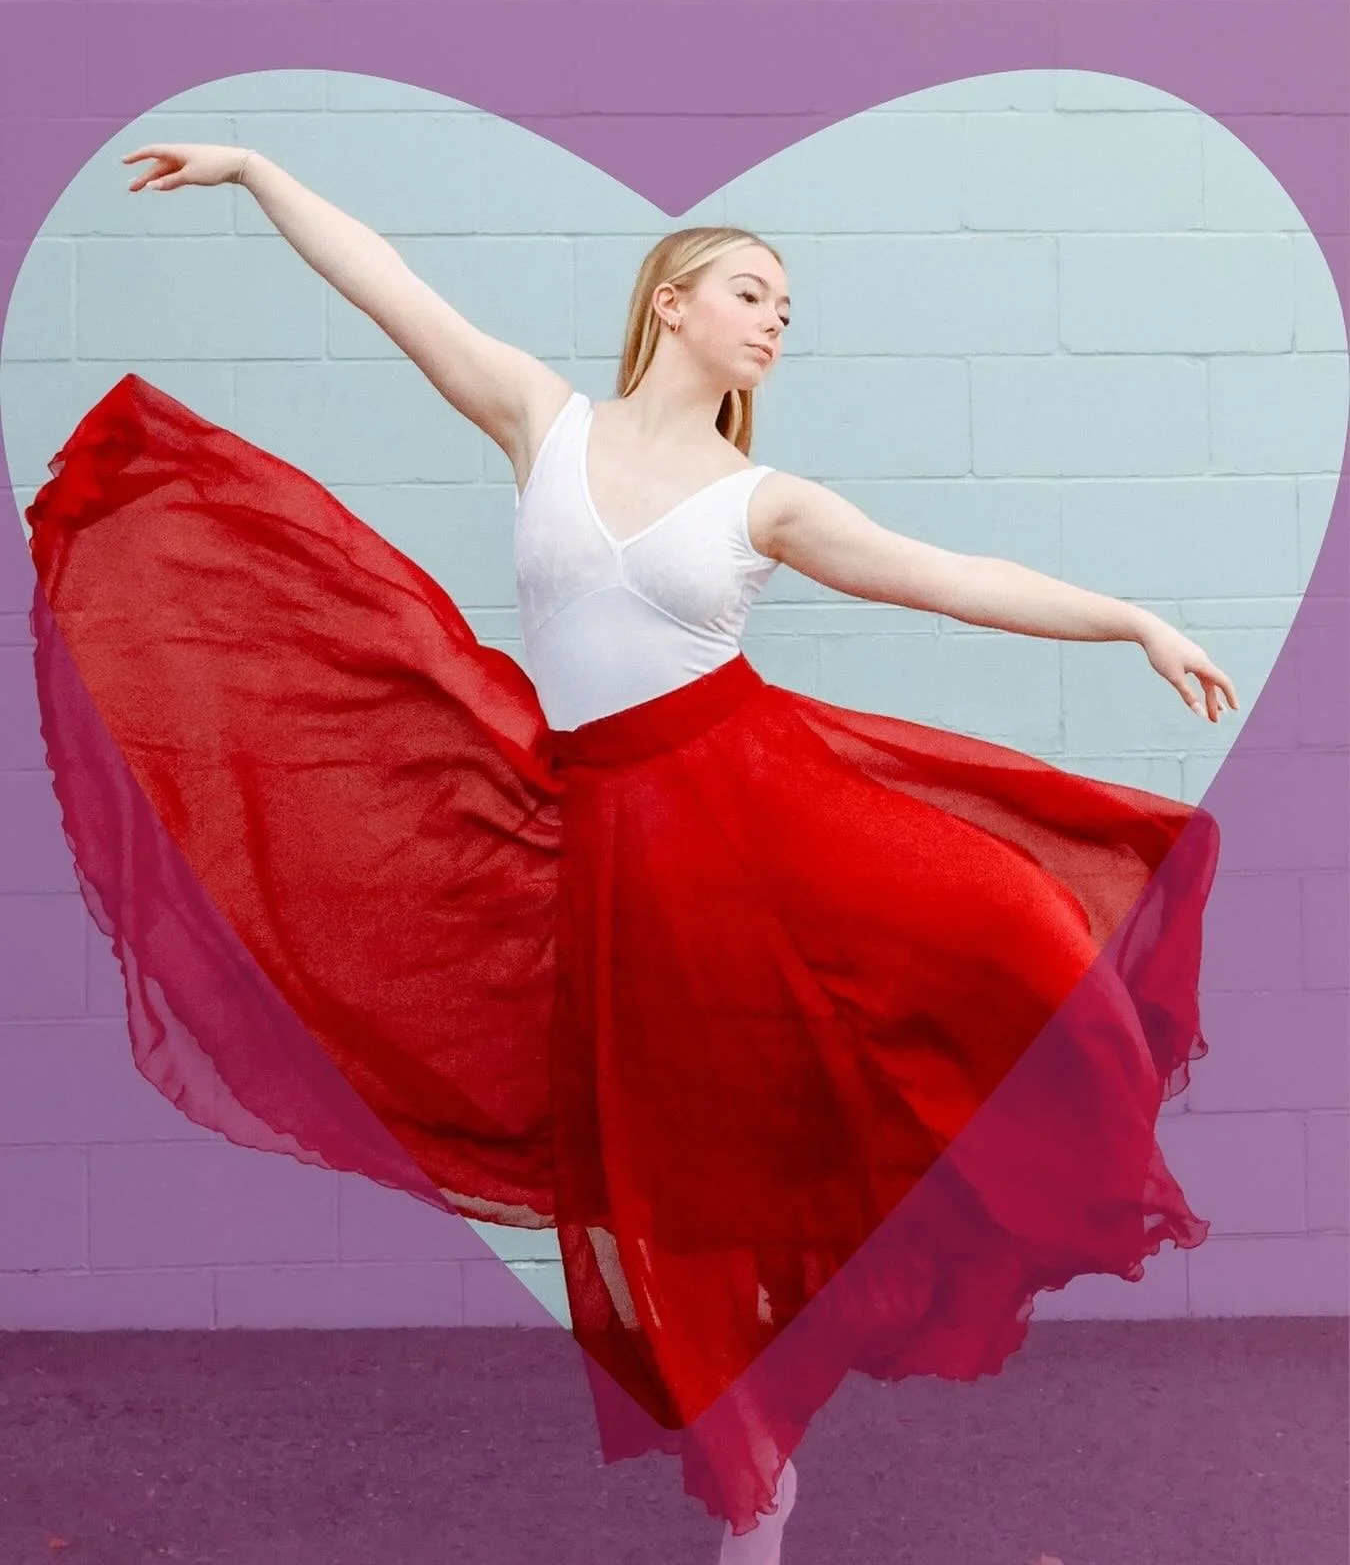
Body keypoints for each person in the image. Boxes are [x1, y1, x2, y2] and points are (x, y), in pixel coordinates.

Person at [24, 141, 1239, 1565]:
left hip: (762, 808)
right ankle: (754, 1464)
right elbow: (390, 293)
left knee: (1013, 931)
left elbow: (951, 578)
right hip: (613, 844)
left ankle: (777, 1434)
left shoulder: (760, 500)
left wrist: (1134, 622)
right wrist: (254, 173)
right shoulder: (540, 420)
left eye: (785, 304)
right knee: (670, 1178)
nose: (775, 318)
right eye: (750, 289)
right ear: (671, 300)